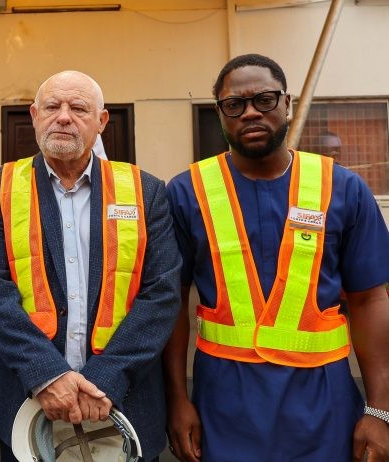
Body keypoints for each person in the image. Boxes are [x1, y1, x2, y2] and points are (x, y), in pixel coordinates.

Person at [164, 54, 389, 462]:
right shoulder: (185, 192)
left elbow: (370, 299)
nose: (250, 112)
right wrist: (177, 400)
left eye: (264, 100)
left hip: (324, 402)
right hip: (223, 403)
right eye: (234, 104)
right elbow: (172, 303)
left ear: (287, 103)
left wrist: (380, 410)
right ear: (220, 114)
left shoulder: (344, 189)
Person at [0, 70, 181, 461]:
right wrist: (46, 375)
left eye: (78, 107)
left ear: (101, 121)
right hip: (26, 398)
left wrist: (108, 378)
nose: (63, 116)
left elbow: (162, 293)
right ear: (34, 115)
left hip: (124, 398)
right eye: (52, 106)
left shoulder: (145, 190)